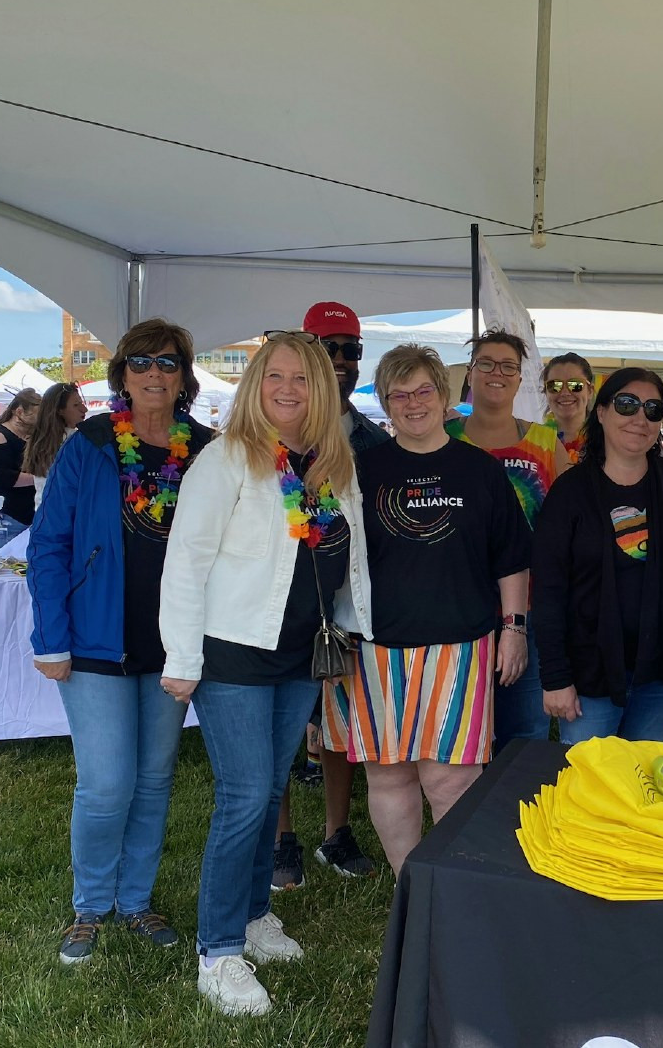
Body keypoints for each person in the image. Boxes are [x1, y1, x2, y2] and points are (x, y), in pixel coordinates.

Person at [159, 332, 372, 1017]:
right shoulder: (224, 460)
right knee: (247, 794)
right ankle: (218, 950)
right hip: (234, 655)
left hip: (299, 655)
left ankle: (253, 915)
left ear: (321, 390)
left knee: (272, 785)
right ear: (256, 384)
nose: (288, 388)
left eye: (303, 379)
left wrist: (355, 629)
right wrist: (182, 658)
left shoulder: (329, 467)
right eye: (275, 376)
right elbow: (186, 562)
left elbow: (346, 560)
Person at [27, 319, 215, 965]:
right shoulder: (91, 444)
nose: (154, 373)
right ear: (121, 374)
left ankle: (136, 900)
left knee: (155, 778)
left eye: (167, 362)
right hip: (96, 640)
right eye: (141, 362)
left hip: (174, 642)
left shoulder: (207, 449)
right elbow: (48, 544)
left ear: (184, 374)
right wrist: (50, 637)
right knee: (107, 782)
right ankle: (90, 904)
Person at [327, 344, 530, 872]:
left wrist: (515, 629)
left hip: (462, 644)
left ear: (444, 398)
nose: (413, 403)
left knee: (452, 776)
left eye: (423, 391)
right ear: (387, 406)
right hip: (375, 646)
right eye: (399, 395)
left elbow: (511, 558)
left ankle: (452, 883)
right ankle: (410, 888)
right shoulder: (359, 471)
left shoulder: (481, 471)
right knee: (389, 772)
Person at [265, 301, 386, 890]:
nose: (339, 361)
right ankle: (282, 838)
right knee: (282, 727)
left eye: (350, 350)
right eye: (327, 347)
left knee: (338, 719)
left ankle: (336, 833)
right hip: (276, 609)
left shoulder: (370, 439)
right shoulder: (269, 434)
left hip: (341, 610)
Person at [534, 368, 663, 744]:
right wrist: (556, 677)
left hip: (660, 675)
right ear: (603, 412)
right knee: (591, 790)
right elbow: (548, 590)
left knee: (641, 785)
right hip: (589, 676)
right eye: (627, 405)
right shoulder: (569, 493)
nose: (640, 418)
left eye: (653, 409)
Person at [445, 328, 569, 751]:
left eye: (508, 367)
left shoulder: (547, 444)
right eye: (486, 363)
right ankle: (466, 813)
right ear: (470, 373)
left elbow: (572, 528)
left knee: (524, 732)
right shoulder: (442, 437)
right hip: (456, 610)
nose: (496, 373)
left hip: (529, 610)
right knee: (459, 729)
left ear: (520, 380)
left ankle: (514, 813)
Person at [0, 388, 43, 546]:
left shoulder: (26, 436)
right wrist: (43, 478)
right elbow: (4, 478)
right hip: (3, 517)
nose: (41, 420)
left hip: (20, 514)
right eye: (37, 415)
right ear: (19, 412)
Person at [22, 382, 89, 512]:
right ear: (60, 411)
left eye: (81, 403)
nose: (84, 409)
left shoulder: (41, 440)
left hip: (44, 516)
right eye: (76, 405)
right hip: (67, 516)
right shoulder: (76, 440)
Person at [542, 352, 594, 465]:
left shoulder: (605, 439)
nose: (565, 393)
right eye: (555, 385)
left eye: (575, 385)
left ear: (590, 391)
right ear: (546, 392)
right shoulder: (534, 440)